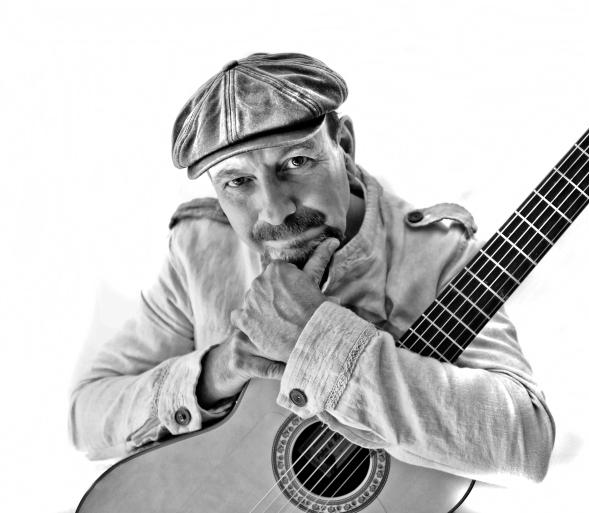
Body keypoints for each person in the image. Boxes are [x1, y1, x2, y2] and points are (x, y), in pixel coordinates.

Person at [68, 52, 555, 485]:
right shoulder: (202, 244)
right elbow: (88, 418)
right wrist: (219, 368)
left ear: (344, 144)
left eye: (297, 161)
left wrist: (317, 338)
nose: (276, 211)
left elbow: (525, 439)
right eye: (238, 182)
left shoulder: (438, 252)